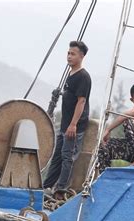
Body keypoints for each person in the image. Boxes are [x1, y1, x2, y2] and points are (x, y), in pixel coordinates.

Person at [43, 41, 91, 198]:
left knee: (67, 157)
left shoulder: (83, 77)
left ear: (82, 56)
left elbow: (81, 101)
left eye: (73, 54)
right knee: (57, 157)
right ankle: (46, 186)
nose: (69, 56)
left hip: (73, 126)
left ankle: (60, 191)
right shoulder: (70, 74)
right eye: (68, 53)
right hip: (64, 125)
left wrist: (73, 125)